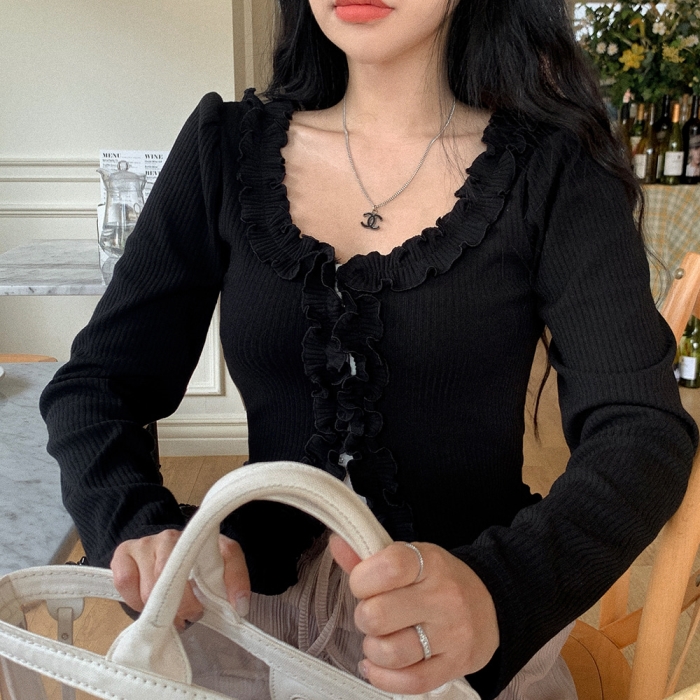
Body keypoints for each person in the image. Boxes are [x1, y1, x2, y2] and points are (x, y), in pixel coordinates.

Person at [40, 0, 698, 698]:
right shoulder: (224, 147)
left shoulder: (557, 168)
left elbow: (640, 429)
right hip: (243, 629)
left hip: (461, 646)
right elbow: (95, 387)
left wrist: (500, 592)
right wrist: (132, 523)